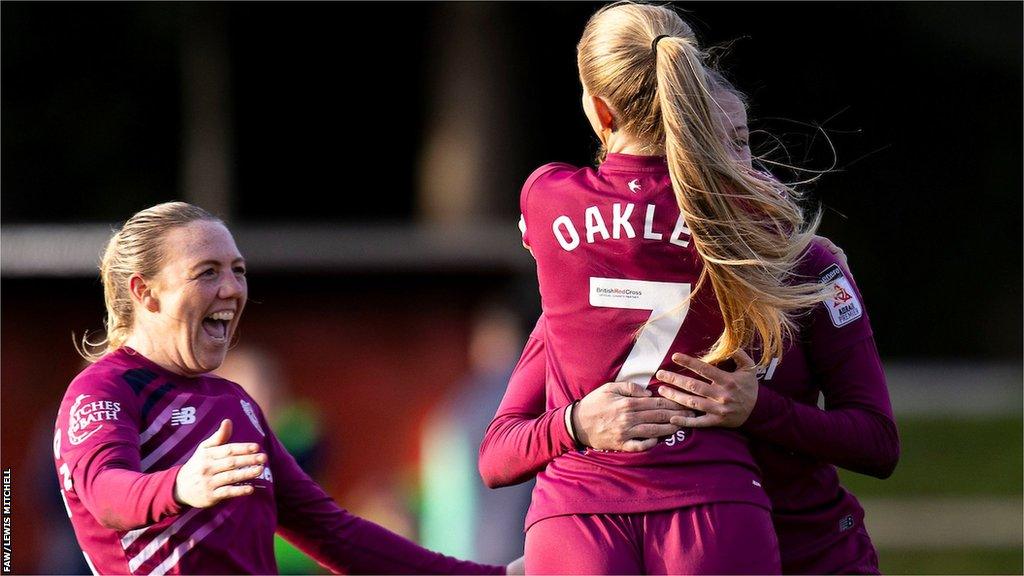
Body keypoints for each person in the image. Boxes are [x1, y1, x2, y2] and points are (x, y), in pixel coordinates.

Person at [506, 2, 863, 573]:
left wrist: (572, 421)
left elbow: (500, 451)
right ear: (689, 92)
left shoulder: (546, 195)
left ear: (599, 111)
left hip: (581, 506)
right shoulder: (747, 217)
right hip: (715, 503)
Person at [53, 202, 510, 575]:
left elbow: (334, 534)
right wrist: (180, 484)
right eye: (207, 272)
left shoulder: (234, 402)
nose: (232, 289)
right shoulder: (104, 389)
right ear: (144, 292)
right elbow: (106, 491)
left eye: (238, 270)